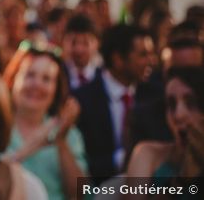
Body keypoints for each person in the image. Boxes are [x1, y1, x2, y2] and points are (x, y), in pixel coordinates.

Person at [4, 42, 87, 200]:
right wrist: (32, 146)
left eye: (46, 79)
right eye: (30, 75)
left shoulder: (70, 134)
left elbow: (79, 194)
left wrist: (61, 141)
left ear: (56, 88)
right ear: (14, 79)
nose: (37, 85)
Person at [74, 24, 156, 181]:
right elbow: (83, 161)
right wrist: (119, 160)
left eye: (152, 54)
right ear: (118, 59)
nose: (152, 61)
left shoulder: (154, 95)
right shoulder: (82, 100)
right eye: (143, 55)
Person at [126, 66, 203, 188]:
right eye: (171, 104)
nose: (178, 115)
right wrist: (181, 181)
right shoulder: (148, 154)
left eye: (191, 103)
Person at [62, 14, 101, 90]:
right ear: (63, 42)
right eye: (73, 42)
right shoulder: (57, 75)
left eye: (85, 43)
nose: (79, 49)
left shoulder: (104, 78)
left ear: (97, 44)